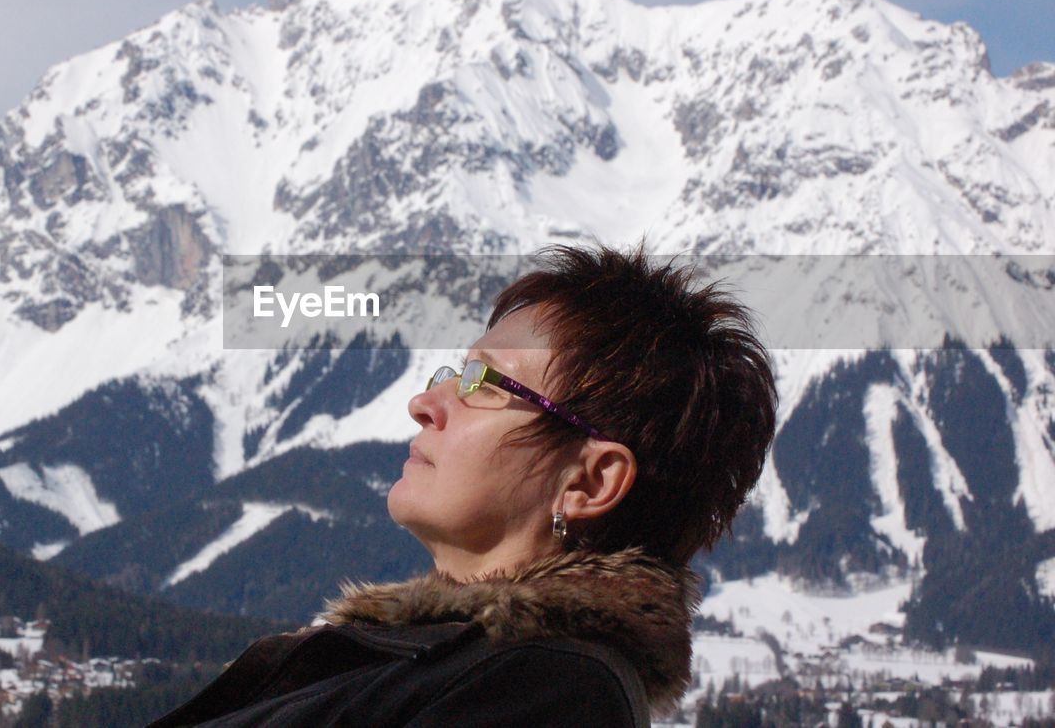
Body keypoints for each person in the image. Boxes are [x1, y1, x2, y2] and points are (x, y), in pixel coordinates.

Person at [149, 244, 777, 727]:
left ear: (588, 481)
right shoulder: (456, 664)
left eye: (486, 382)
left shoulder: (549, 695)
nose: (425, 402)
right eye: (457, 372)